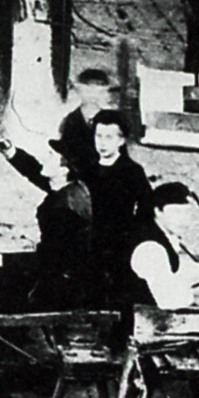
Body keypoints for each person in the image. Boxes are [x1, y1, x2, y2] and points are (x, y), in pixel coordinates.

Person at [81, 110, 158, 301]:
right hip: (89, 245)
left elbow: (147, 210)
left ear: (121, 141)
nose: (102, 143)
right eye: (98, 136)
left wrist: (132, 238)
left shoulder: (132, 172)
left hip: (120, 250)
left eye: (109, 137)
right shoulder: (87, 171)